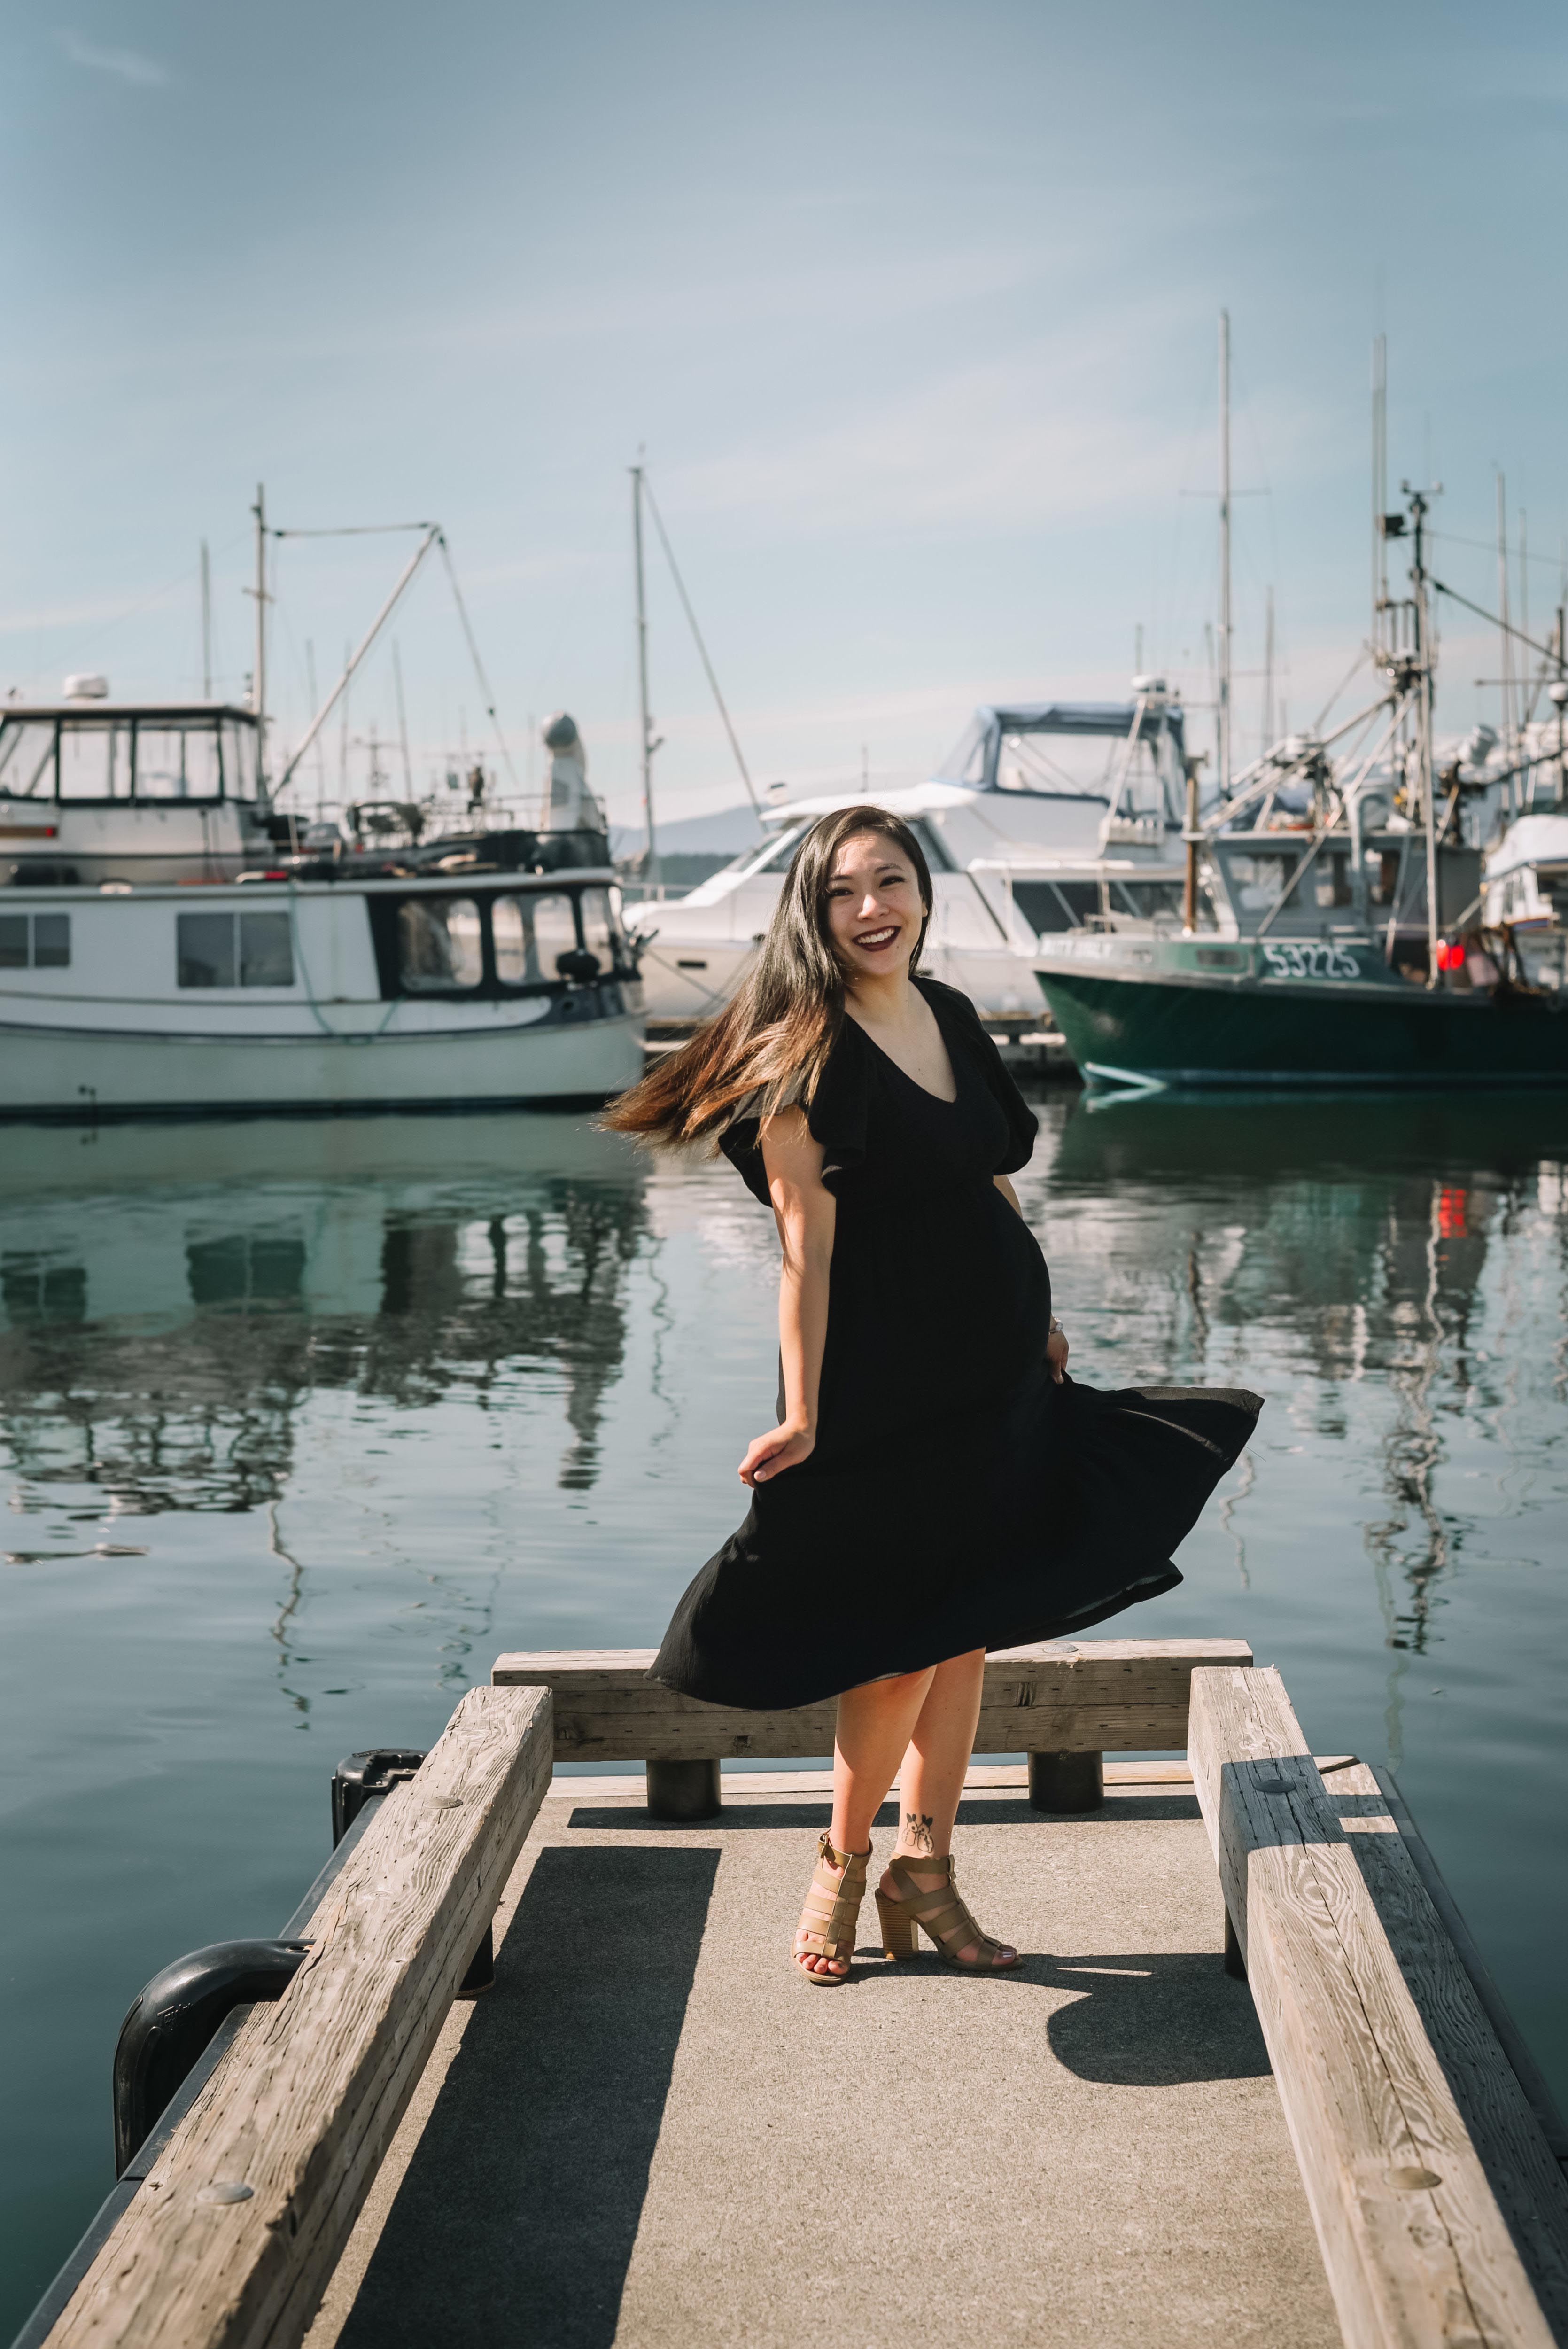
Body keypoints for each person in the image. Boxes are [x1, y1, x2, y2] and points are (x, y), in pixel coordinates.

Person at [605, 806, 1260, 1983]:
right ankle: (839, 1863)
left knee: (963, 1634)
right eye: (843, 891)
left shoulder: (950, 1014)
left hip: (996, 1376)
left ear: (922, 892)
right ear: (811, 913)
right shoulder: (805, 1051)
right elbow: (803, 1253)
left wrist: (1038, 1314)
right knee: (898, 1648)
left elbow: (987, 1180)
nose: (871, 908)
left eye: (891, 881)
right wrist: (804, 1414)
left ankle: (926, 1867)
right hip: (881, 1387)